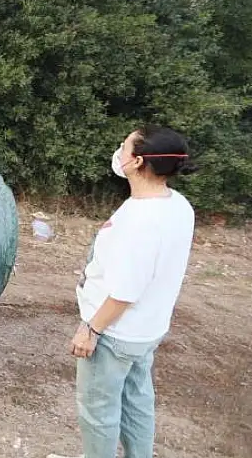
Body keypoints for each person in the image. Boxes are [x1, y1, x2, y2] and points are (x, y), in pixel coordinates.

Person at [66, 125, 196, 458]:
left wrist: (91, 329)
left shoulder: (140, 221)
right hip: (146, 329)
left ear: (137, 162)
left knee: (98, 412)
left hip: (114, 332)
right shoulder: (178, 205)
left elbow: (125, 291)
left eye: (123, 148)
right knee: (137, 401)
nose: (118, 153)